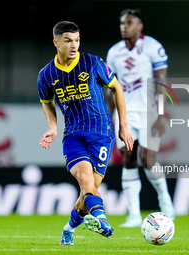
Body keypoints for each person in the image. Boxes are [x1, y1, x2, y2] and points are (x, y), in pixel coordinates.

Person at [37, 21, 134, 245]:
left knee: (87, 192)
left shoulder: (92, 62)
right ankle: (102, 219)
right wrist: (53, 127)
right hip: (73, 135)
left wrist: (124, 125)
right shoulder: (46, 74)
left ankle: (68, 229)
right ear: (56, 42)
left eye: (77, 40)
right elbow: (47, 102)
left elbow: (116, 87)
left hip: (101, 133)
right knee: (84, 179)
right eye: (68, 40)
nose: (74, 45)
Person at [106, 9, 175, 227]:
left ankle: (165, 202)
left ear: (139, 26)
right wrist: (109, 117)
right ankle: (134, 214)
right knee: (128, 158)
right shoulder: (114, 52)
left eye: (129, 22)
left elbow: (162, 81)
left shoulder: (153, 47)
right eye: (121, 22)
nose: (124, 26)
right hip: (124, 114)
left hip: (148, 112)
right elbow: (110, 88)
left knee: (147, 158)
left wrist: (162, 114)